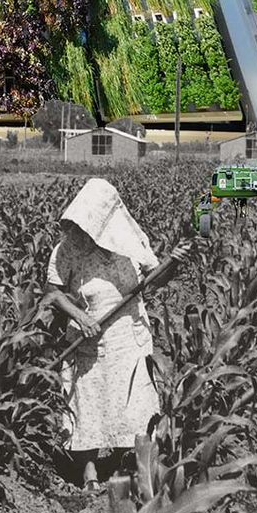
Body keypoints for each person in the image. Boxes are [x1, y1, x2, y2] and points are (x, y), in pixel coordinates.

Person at [46, 177, 194, 487]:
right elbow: (53, 293)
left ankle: (131, 465)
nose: (81, 230)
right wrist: (80, 317)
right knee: (87, 401)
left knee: (133, 404)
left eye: (88, 224)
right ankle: (87, 470)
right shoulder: (67, 249)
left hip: (129, 337)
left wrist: (174, 263)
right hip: (88, 340)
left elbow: (155, 281)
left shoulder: (129, 243)